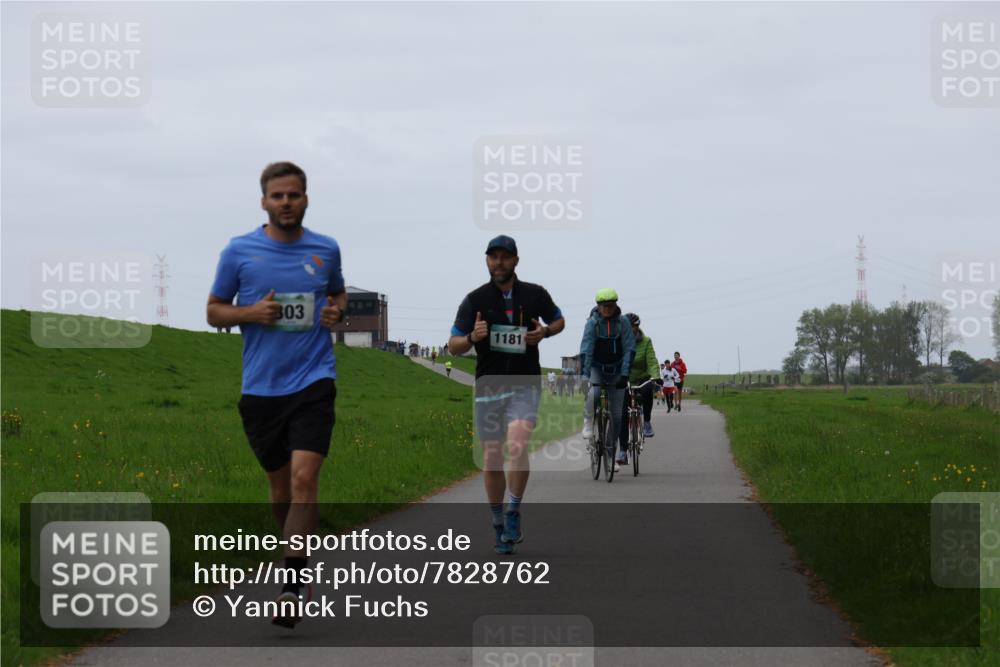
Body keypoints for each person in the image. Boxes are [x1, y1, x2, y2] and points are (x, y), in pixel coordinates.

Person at [206, 161, 346, 628]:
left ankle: (291, 584)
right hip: (261, 389)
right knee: (281, 490)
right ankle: (295, 546)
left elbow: (338, 296)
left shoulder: (326, 249)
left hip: (314, 380)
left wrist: (335, 314)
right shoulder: (239, 251)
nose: (287, 203)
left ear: (307, 198)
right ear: (264, 201)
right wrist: (251, 312)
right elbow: (213, 312)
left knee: (306, 479)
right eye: (278, 196)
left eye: (295, 195)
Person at [448, 235, 565, 555]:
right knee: (492, 457)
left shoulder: (535, 294)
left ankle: (513, 510)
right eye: (493, 257)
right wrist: (472, 336)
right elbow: (453, 344)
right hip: (489, 384)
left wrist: (545, 332)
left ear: (516, 260)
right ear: (487, 261)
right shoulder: (475, 300)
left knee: (517, 443)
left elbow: (558, 319)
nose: (498, 262)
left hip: (525, 381)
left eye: (504, 256)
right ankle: (498, 522)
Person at [580, 289, 635, 466]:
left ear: (615, 305)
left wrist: (625, 374)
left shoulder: (623, 322)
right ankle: (588, 421)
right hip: (597, 367)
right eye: (604, 306)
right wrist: (584, 376)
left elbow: (629, 349)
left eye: (610, 306)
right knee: (594, 393)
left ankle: (610, 455)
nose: (607, 309)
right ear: (598, 306)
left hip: (617, 370)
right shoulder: (593, 323)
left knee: (618, 416)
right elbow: (586, 350)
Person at [619, 313, 661, 464]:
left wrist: (655, 376)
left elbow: (651, 360)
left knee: (647, 390)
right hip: (625, 378)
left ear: (637, 327)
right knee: (622, 414)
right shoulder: (619, 341)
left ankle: (647, 422)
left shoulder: (646, 341)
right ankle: (623, 451)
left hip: (643, 377)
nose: (631, 330)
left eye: (633, 327)